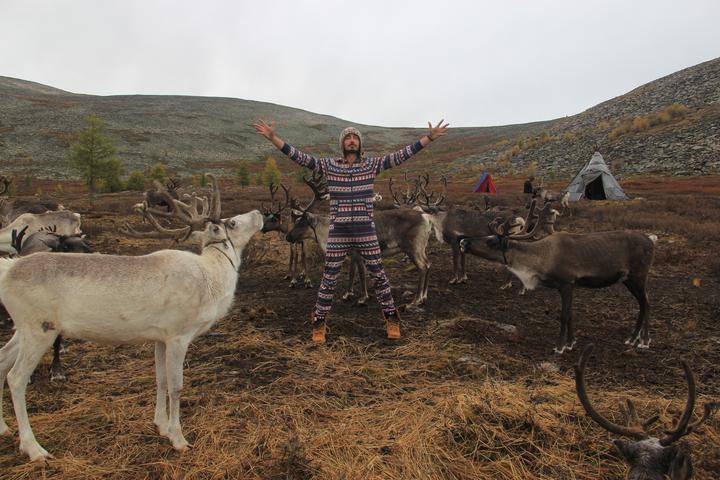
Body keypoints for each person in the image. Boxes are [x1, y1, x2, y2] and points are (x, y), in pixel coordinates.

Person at [254, 119, 449, 343]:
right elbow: (300, 157)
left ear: (360, 144)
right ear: (342, 144)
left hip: (366, 229)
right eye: (348, 137)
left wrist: (429, 138)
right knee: (329, 278)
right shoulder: (329, 166)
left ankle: (391, 318)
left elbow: (401, 155)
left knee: (379, 276)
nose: (352, 140)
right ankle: (319, 321)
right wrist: (273, 138)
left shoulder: (371, 165)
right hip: (339, 231)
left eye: (355, 137)